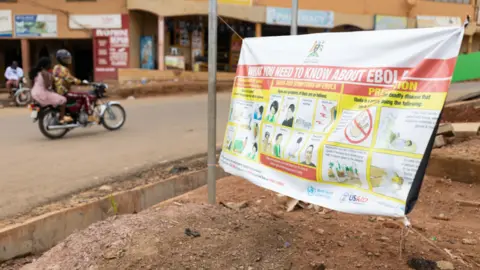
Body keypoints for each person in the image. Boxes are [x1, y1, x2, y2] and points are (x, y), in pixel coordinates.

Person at [52, 49, 95, 122]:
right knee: (85, 96)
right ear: (61, 59)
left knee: (77, 94)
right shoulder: (63, 69)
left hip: (58, 91)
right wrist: (81, 82)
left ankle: (75, 113)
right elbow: (70, 79)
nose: (68, 60)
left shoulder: (56, 67)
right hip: (63, 92)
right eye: (66, 58)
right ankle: (90, 116)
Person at [30, 57, 72, 124]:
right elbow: (47, 86)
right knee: (63, 100)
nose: (50, 65)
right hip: (42, 93)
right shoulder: (45, 73)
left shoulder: (38, 72)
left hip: (34, 93)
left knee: (54, 99)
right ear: (46, 65)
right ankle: (61, 119)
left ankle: (54, 114)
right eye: (49, 64)